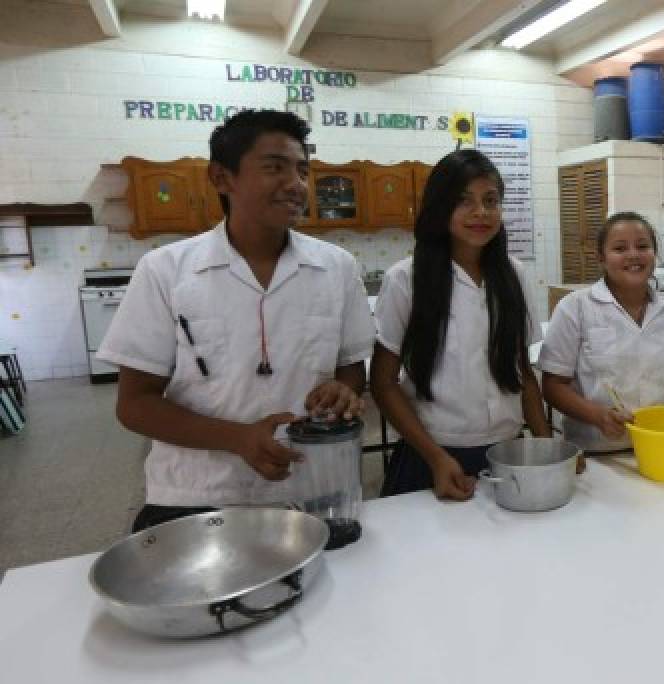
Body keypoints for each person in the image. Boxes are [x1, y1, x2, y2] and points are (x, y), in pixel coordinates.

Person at [98, 109, 375, 532]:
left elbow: (351, 371)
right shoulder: (166, 271)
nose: (296, 184)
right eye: (274, 168)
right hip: (198, 497)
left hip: (313, 489)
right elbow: (134, 405)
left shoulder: (336, 268)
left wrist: (342, 391)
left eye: (302, 170)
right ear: (221, 178)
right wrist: (239, 438)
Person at [370, 149, 550, 500]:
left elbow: (522, 374)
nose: (480, 212)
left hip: (507, 453)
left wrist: (545, 446)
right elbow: (383, 383)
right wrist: (437, 458)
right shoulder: (406, 278)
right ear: (440, 207)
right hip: (432, 454)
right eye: (464, 201)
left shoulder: (513, 274)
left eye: (491, 200)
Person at [539, 211, 664, 453]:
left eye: (642, 246)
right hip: (595, 450)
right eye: (619, 248)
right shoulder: (575, 308)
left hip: (659, 445)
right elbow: (552, 386)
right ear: (601, 258)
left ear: (654, 254)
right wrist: (598, 416)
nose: (633, 255)